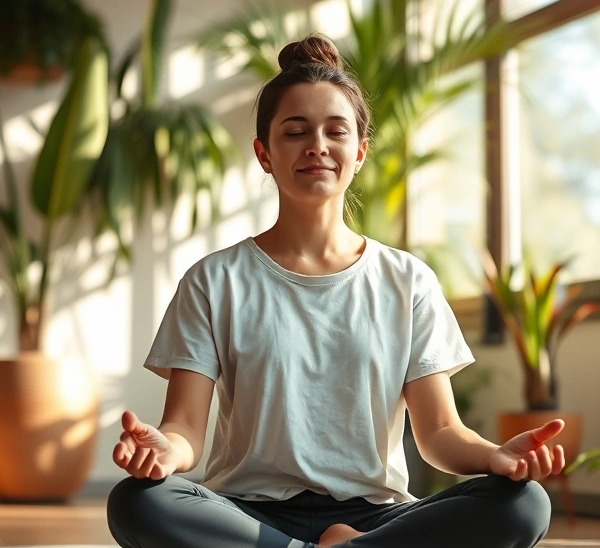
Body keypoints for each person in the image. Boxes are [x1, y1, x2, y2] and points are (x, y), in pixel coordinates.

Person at [107, 33, 565, 548]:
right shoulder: (214, 280)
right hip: (247, 515)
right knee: (136, 501)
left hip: (376, 515)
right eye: (295, 131)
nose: (317, 147)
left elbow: (438, 434)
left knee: (524, 504)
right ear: (264, 153)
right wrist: (165, 451)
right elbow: (186, 428)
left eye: (336, 132)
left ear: (360, 151)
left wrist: (496, 456)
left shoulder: (407, 280)